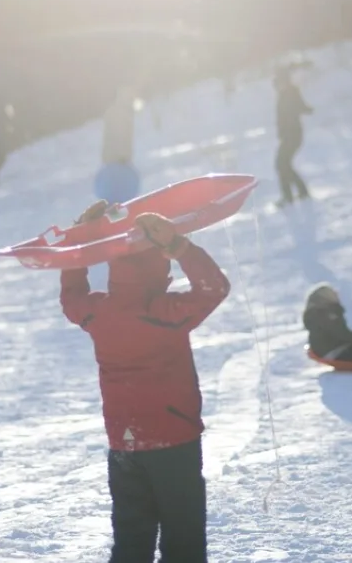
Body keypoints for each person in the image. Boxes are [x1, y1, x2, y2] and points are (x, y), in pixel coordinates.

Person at [60, 201, 231, 563]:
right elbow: (214, 288)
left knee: (131, 543)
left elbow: (71, 296)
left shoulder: (98, 311)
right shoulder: (165, 312)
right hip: (174, 442)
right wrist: (181, 247)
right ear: (159, 270)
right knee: (183, 543)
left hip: (124, 444)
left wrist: (83, 240)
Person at [274, 67, 313, 206]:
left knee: (281, 164)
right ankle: (296, 194)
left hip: (293, 134)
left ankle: (293, 195)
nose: (277, 85)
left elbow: (300, 108)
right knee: (283, 165)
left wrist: (307, 109)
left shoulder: (290, 93)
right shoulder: (284, 93)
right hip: (289, 135)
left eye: (278, 82)